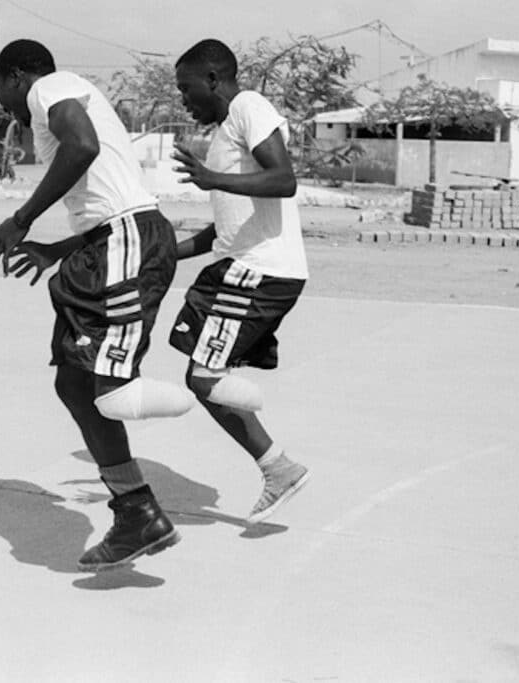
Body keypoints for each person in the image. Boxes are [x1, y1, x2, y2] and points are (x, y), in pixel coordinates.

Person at [0, 39, 193, 572]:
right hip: (109, 243)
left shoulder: (51, 87)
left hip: (125, 243)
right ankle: (136, 509)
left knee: (107, 385)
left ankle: (189, 392)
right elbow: (105, 203)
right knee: (73, 382)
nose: (4, 107)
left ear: (15, 76)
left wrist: (22, 218)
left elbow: (84, 146)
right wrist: (54, 249)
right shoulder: (61, 96)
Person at [169, 39, 310, 523]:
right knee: (197, 370)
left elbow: (283, 179)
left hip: (260, 271)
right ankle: (279, 467)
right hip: (241, 266)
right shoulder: (223, 135)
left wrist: (212, 178)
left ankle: (279, 467)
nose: (183, 101)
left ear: (213, 79)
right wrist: (168, 253)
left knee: (203, 377)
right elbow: (225, 230)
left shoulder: (250, 106)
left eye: (186, 89)